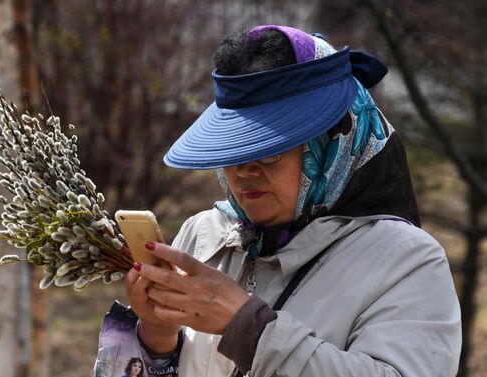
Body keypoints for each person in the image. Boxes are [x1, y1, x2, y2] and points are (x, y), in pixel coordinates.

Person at [107, 25, 461, 377]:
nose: (244, 171)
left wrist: (248, 327)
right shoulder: (204, 235)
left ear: (331, 146)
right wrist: (155, 339)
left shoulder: (406, 260)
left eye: (270, 150)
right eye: (233, 149)